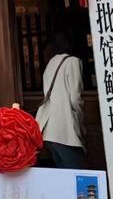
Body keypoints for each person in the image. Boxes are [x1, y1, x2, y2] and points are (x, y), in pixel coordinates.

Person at [35, 31, 88, 169]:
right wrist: (81, 124)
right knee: (78, 172)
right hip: (65, 129)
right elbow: (75, 98)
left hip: (47, 129)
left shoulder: (51, 63)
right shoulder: (73, 61)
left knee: (62, 171)